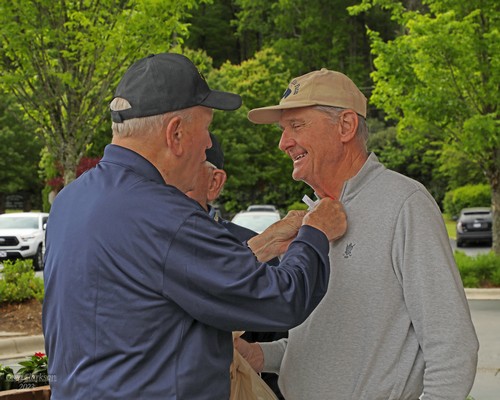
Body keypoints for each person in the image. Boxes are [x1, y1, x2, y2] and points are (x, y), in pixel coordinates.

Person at [41, 53, 348, 399]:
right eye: (207, 130)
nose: (207, 146)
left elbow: (162, 286)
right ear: (175, 133)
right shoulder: (165, 215)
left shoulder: (71, 201)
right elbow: (282, 299)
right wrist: (316, 233)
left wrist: (261, 247)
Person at [236, 68, 479, 399]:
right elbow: (318, 339)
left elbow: (452, 348)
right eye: (282, 130)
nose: (283, 143)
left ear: (346, 126)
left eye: (296, 126)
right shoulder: (314, 219)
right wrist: (261, 355)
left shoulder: (405, 203)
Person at [186, 132, 287, 399]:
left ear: (214, 182)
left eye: (181, 171)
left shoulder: (256, 249)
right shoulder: (138, 242)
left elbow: (275, 349)